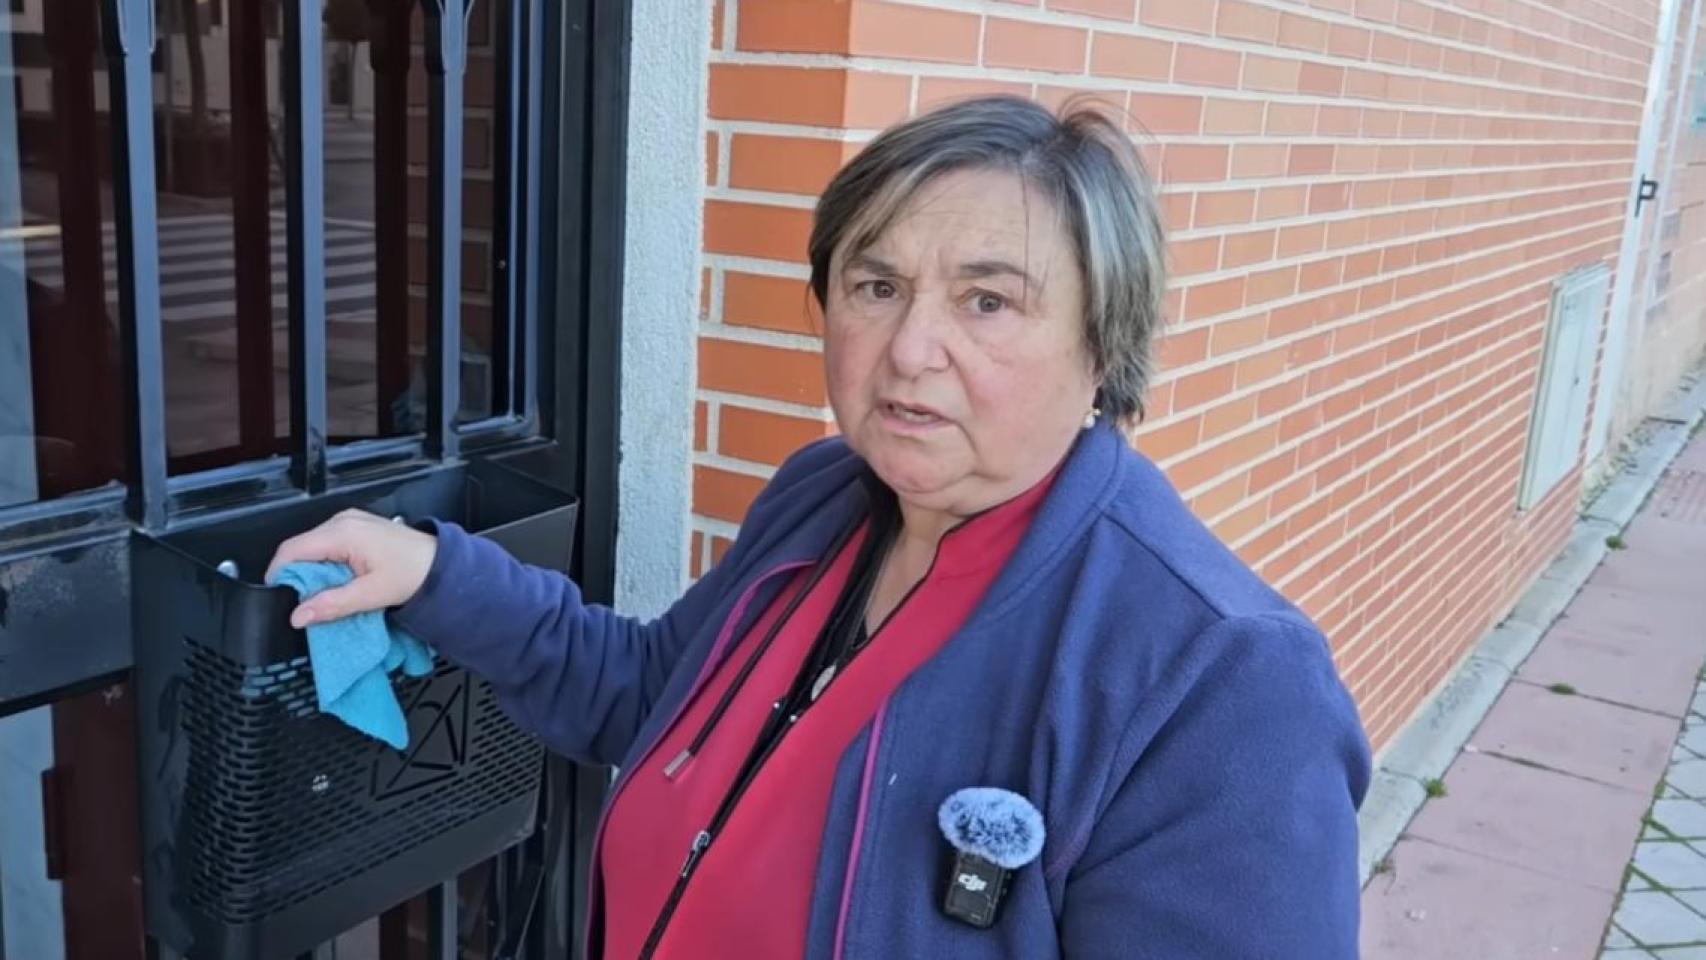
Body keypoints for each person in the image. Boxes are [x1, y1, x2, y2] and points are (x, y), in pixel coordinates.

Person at [267, 95, 1371, 959]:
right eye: (875, 284)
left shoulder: (1215, 684)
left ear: (1101, 350)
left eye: (986, 301)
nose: (908, 349)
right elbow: (651, 694)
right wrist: (435, 574)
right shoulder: (825, 499)